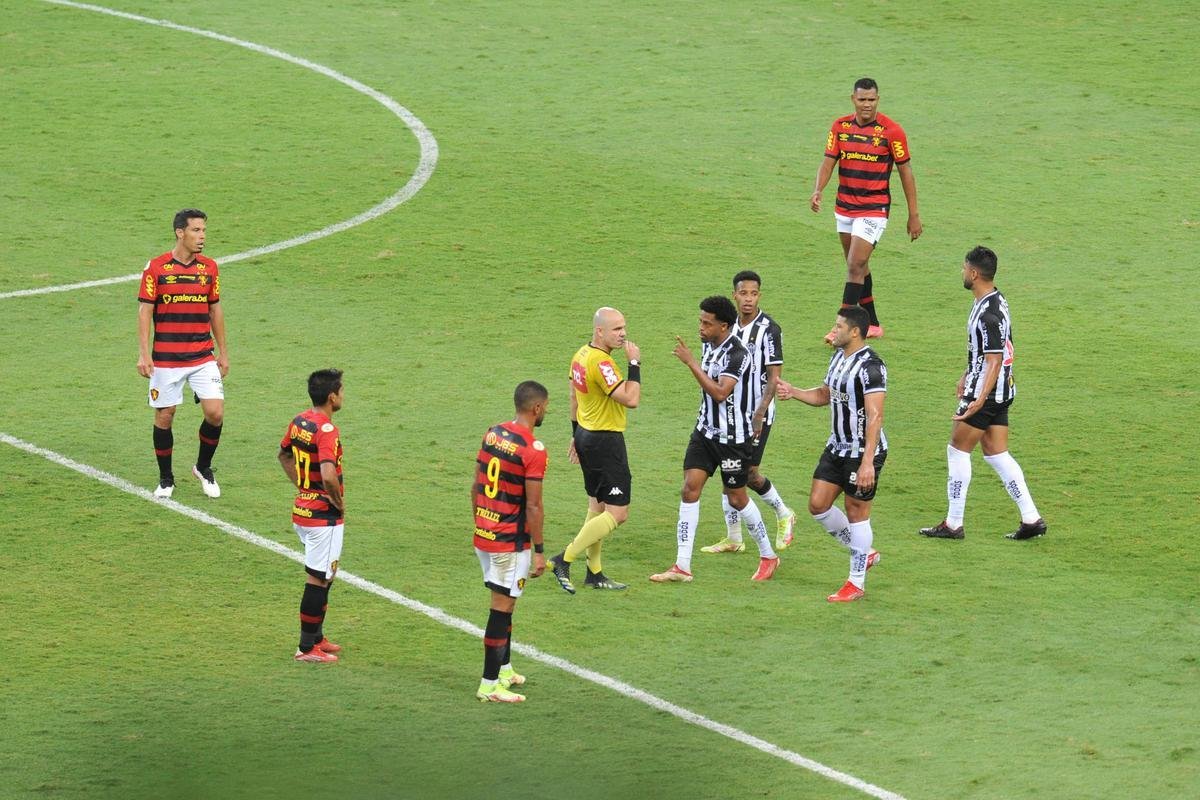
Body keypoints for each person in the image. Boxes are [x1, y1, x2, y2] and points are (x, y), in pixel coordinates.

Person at [919, 246, 1047, 541]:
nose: (962, 273)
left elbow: (993, 359)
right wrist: (966, 373)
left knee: (957, 449)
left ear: (974, 274)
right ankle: (1031, 518)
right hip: (1002, 388)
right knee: (996, 453)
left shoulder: (987, 314)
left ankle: (953, 523)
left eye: (964, 269)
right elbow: (990, 350)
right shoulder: (995, 300)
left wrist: (978, 398)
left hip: (987, 392)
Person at [651, 296, 780, 583]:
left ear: (723, 326)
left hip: (733, 438)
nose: (701, 327)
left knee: (737, 498)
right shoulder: (709, 344)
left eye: (706, 323)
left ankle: (769, 555)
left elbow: (721, 393)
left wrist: (691, 364)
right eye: (700, 321)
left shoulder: (738, 353)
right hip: (705, 432)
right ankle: (682, 566)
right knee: (689, 489)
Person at [775, 306, 883, 602]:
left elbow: (875, 416)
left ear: (855, 332)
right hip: (837, 445)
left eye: (838, 327)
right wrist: (793, 391)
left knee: (857, 512)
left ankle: (856, 582)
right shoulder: (838, 357)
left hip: (862, 450)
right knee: (818, 505)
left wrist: (867, 463)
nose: (833, 331)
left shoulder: (871, 367)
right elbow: (825, 395)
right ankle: (865, 552)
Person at [810, 78, 922, 342]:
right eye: (862, 100)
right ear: (853, 100)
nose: (867, 105)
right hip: (844, 207)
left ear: (878, 100)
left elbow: (906, 172)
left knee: (854, 265)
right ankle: (872, 322)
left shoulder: (891, 131)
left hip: (873, 208)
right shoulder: (840, 127)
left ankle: (842, 327)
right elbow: (828, 162)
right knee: (858, 266)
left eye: (872, 100)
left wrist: (913, 214)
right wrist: (818, 190)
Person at [700, 272, 798, 555]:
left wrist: (760, 412)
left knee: (747, 473)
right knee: (731, 472)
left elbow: (773, 376)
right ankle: (733, 537)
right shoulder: (724, 326)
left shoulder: (769, 329)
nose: (748, 299)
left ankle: (783, 512)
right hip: (727, 415)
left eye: (754, 294)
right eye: (744, 293)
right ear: (735, 295)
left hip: (755, 414)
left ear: (759, 296)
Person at [137, 208, 228, 499]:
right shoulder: (157, 268)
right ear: (180, 232)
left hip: (202, 355)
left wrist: (223, 352)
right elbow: (145, 310)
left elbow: (215, 309)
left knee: (215, 413)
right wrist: (143, 354)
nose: (202, 237)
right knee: (165, 416)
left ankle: (203, 467)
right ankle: (166, 479)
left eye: (203, 231)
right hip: (166, 358)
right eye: (196, 230)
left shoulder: (210, 268)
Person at [549, 308, 640, 593]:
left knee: (597, 507)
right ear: (599, 331)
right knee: (618, 512)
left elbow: (573, 398)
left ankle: (595, 572)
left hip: (586, 435)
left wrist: (576, 436)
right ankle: (564, 558)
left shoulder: (580, 355)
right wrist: (634, 362)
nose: (623, 333)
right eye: (616, 329)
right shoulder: (602, 363)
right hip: (605, 442)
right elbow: (630, 399)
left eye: (624, 327)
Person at [472, 381, 549, 703]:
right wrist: (540, 551)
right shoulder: (533, 450)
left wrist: (480, 522)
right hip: (509, 542)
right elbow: (533, 505)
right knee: (501, 609)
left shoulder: (493, 433)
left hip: (484, 533)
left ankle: (503, 669)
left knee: (507, 603)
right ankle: (489, 685)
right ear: (536, 408)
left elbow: (476, 483)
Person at [279, 369, 346, 663]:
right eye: (341, 391)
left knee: (325, 576)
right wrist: (336, 500)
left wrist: (304, 486)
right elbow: (329, 474)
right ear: (332, 396)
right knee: (318, 579)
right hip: (323, 517)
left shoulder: (300, 421)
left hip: (303, 511)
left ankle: (317, 635)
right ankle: (306, 648)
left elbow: (283, 454)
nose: (343, 395)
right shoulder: (327, 430)